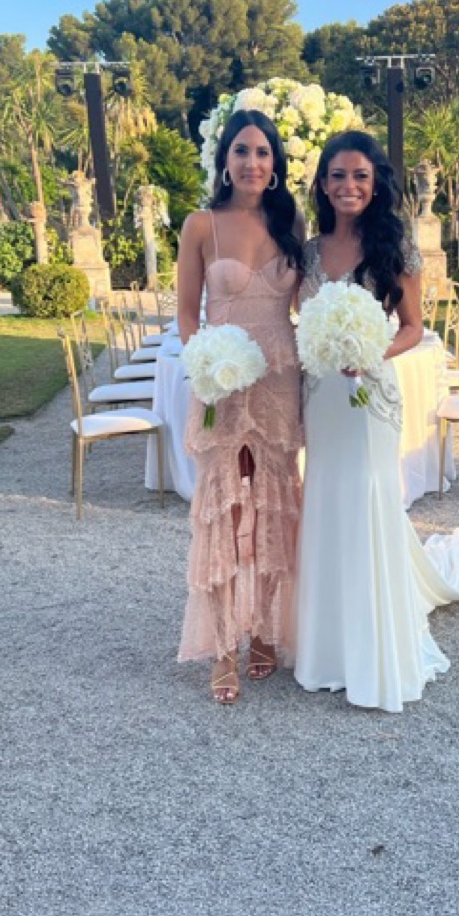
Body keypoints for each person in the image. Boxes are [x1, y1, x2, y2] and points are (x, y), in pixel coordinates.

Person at [294, 130, 459, 713]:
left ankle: (374, 644)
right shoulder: (307, 253)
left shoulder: (396, 246)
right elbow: (300, 321)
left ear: (376, 183)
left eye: (360, 175)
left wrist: (371, 351)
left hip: (370, 396)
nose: (348, 186)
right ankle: (327, 646)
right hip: (322, 396)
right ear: (323, 184)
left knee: (367, 499)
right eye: (338, 175)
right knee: (325, 498)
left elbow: (412, 327)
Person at [177, 109, 304, 704]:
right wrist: (203, 362)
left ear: (275, 163)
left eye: (262, 152)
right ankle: (225, 645)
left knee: (276, 503)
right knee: (226, 509)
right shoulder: (200, 225)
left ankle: (266, 632)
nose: (252, 162)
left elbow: (310, 297)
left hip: (278, 380)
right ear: (224, 159)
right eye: (242, 150)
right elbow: (186, 311)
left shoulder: (291, 221)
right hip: (222, 383)